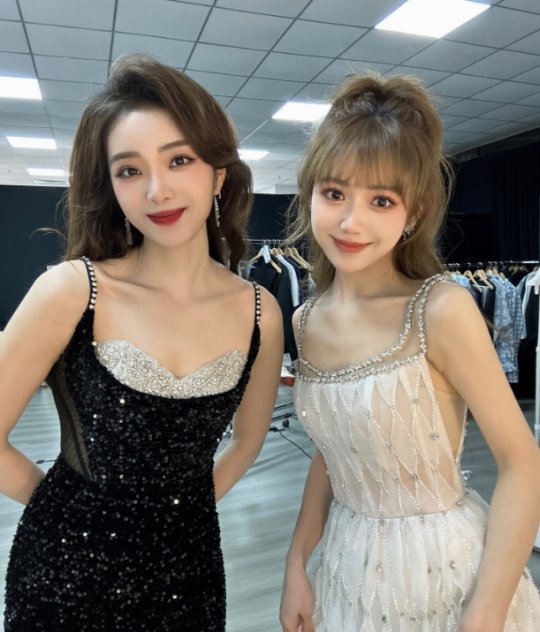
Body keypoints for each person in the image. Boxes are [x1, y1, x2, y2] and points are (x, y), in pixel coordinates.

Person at [1, 54, 283, 631]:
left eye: (179, 159)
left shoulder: (261, 312)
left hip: (188, 573)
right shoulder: (72, 290)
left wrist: (180, 515)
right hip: (63, 574)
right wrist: (63, 508)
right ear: (111, 186)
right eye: (130, 170)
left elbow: (247, 443)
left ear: (219, 174)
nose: (158, 190)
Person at [280, 73, 540, 631]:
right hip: (347, 571)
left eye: (381, 200)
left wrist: (487, 611)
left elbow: (522, 462)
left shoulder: (440, 310)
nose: (351, 221)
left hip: (443, 574)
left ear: (414, 212)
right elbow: (335, 449)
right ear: (310, 194)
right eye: (334, 193)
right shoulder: (305, 320)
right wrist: (297, 560)